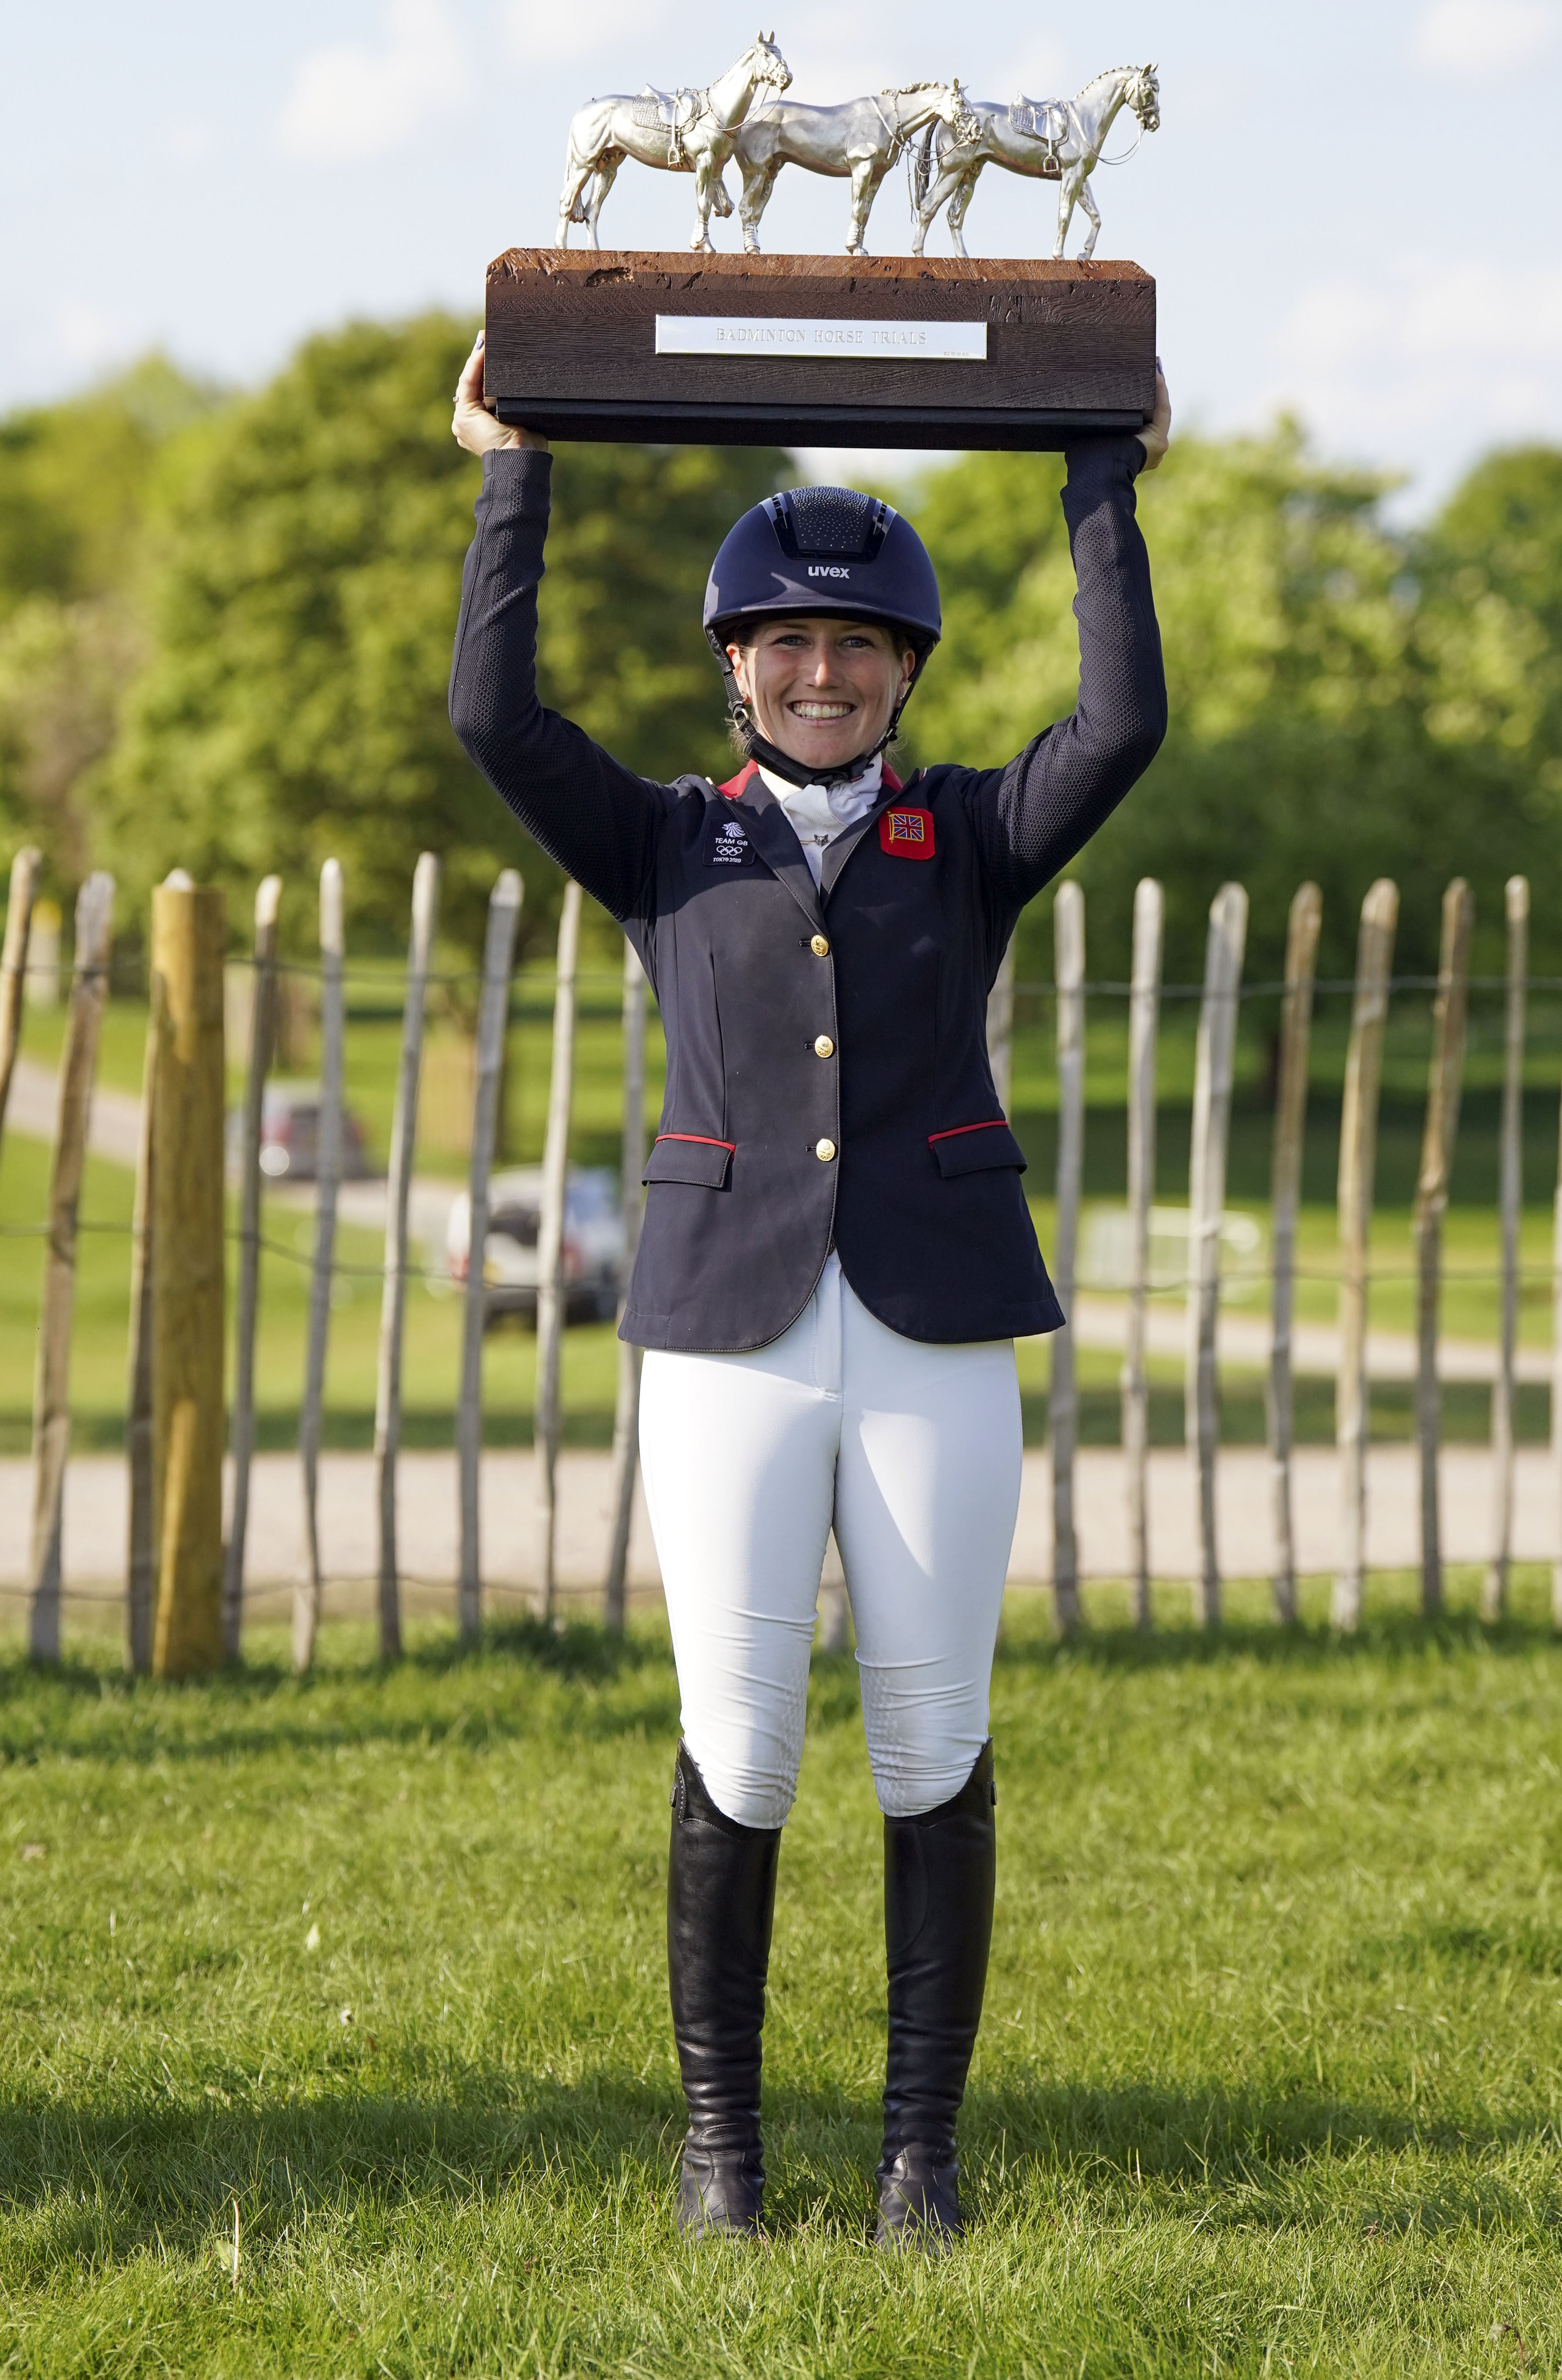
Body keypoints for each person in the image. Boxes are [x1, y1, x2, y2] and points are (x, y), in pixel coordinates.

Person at [448, 333, 1169, 2247]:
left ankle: (919, 2155)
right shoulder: (663, 840)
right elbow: (492, 715)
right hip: (726, 1336)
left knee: (930, 1733)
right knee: (742, 1735)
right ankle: (723, 2154)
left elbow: (1120, 724)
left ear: (906, 668)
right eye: (784, 642)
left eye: (856, 644)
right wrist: (513, 466)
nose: (821, 671)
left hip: (932, 1323)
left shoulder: (972, 836)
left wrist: (1103, 477)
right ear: (735, 662)